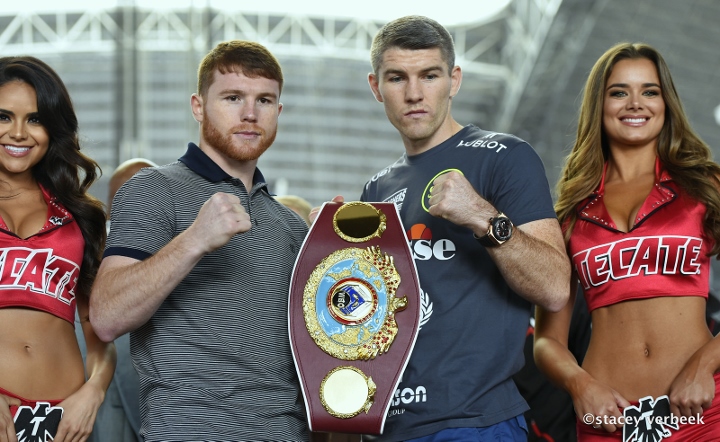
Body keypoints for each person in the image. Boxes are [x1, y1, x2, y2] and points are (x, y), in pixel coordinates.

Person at [348, 15, 571, 441]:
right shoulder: (376, 188)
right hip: (387, 425)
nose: (414, 93)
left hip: (475, 421)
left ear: (454, 80)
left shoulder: (505, 156)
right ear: (376, 87)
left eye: (429, 76)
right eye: (397, 78)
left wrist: (482, 217)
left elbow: (555, 287)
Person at [88, 40, 310, 441]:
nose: (249, 113)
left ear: (278, 113)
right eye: (232, 97)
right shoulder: (153, 189)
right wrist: (194, 239)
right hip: (189, 430)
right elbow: (106, 317)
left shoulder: (290, 226)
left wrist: (340, 251)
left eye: (264, 100)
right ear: (198, 106)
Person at [534, 42, 720, 441]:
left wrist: (703, 366)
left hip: (701, 407)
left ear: (666, 103)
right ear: (598, 105)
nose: (635, 103)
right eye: (619, 92)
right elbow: (548, 340)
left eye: (649, 91)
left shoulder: (706, 186)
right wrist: (581, 386)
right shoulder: (569, 214)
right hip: (609, 419)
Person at [0, 56, 115, 441]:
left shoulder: (78, 216)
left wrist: (93, 393)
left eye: (34, 119)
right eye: (3, 117)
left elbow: (99, 333)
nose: (18, 133)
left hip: (63, 421)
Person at [81, 159, 157, 441]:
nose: (133, 202)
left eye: (143, 194)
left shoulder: (178, 252)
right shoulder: (88, 246)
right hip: (93, 387)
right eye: (122, 195)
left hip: (154, 397)